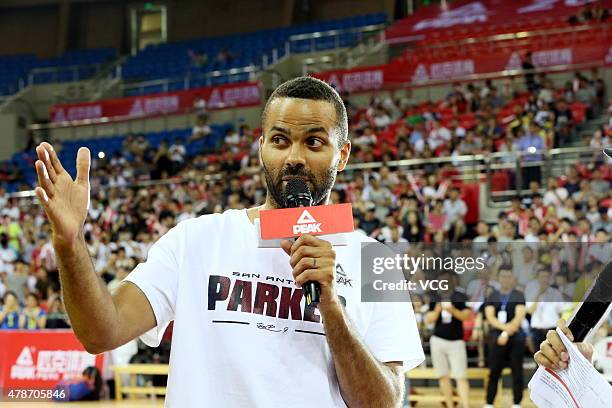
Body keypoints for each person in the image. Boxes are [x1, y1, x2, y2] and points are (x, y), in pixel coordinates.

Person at [32, 76, 424, 407]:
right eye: (281, 140)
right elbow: (102, 332)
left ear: (343, 155)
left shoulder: (375, 259)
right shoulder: (196, 239)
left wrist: (332, 307)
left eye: (315, 142)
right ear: (261, 148)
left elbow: (383, 402)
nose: (295, 157)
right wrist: (70, 244)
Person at [425, 271, 472, 408]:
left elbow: (467, 316)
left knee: (461, 376)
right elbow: (429, 319)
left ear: (452, 280)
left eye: (447, 280)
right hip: (438, 339)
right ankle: (450, 405)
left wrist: (452, 311)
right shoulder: (435, 296)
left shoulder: (460, 296)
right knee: (443, 376)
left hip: (456, 341)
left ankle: (466, 405)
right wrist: (438, 310)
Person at [483, 267, 527, 408]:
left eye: (508, 276)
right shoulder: (493, 296)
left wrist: (507, 333)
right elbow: (490, 317)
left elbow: (519, 316)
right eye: (503, 276)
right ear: (499, 278)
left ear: (512, 278)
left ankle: (517, 403)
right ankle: (489, 403)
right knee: (494, 371)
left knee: (517, 372)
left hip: (516, 339)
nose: (506, 279)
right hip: (497, 339)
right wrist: (503, 331)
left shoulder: (518, 295)